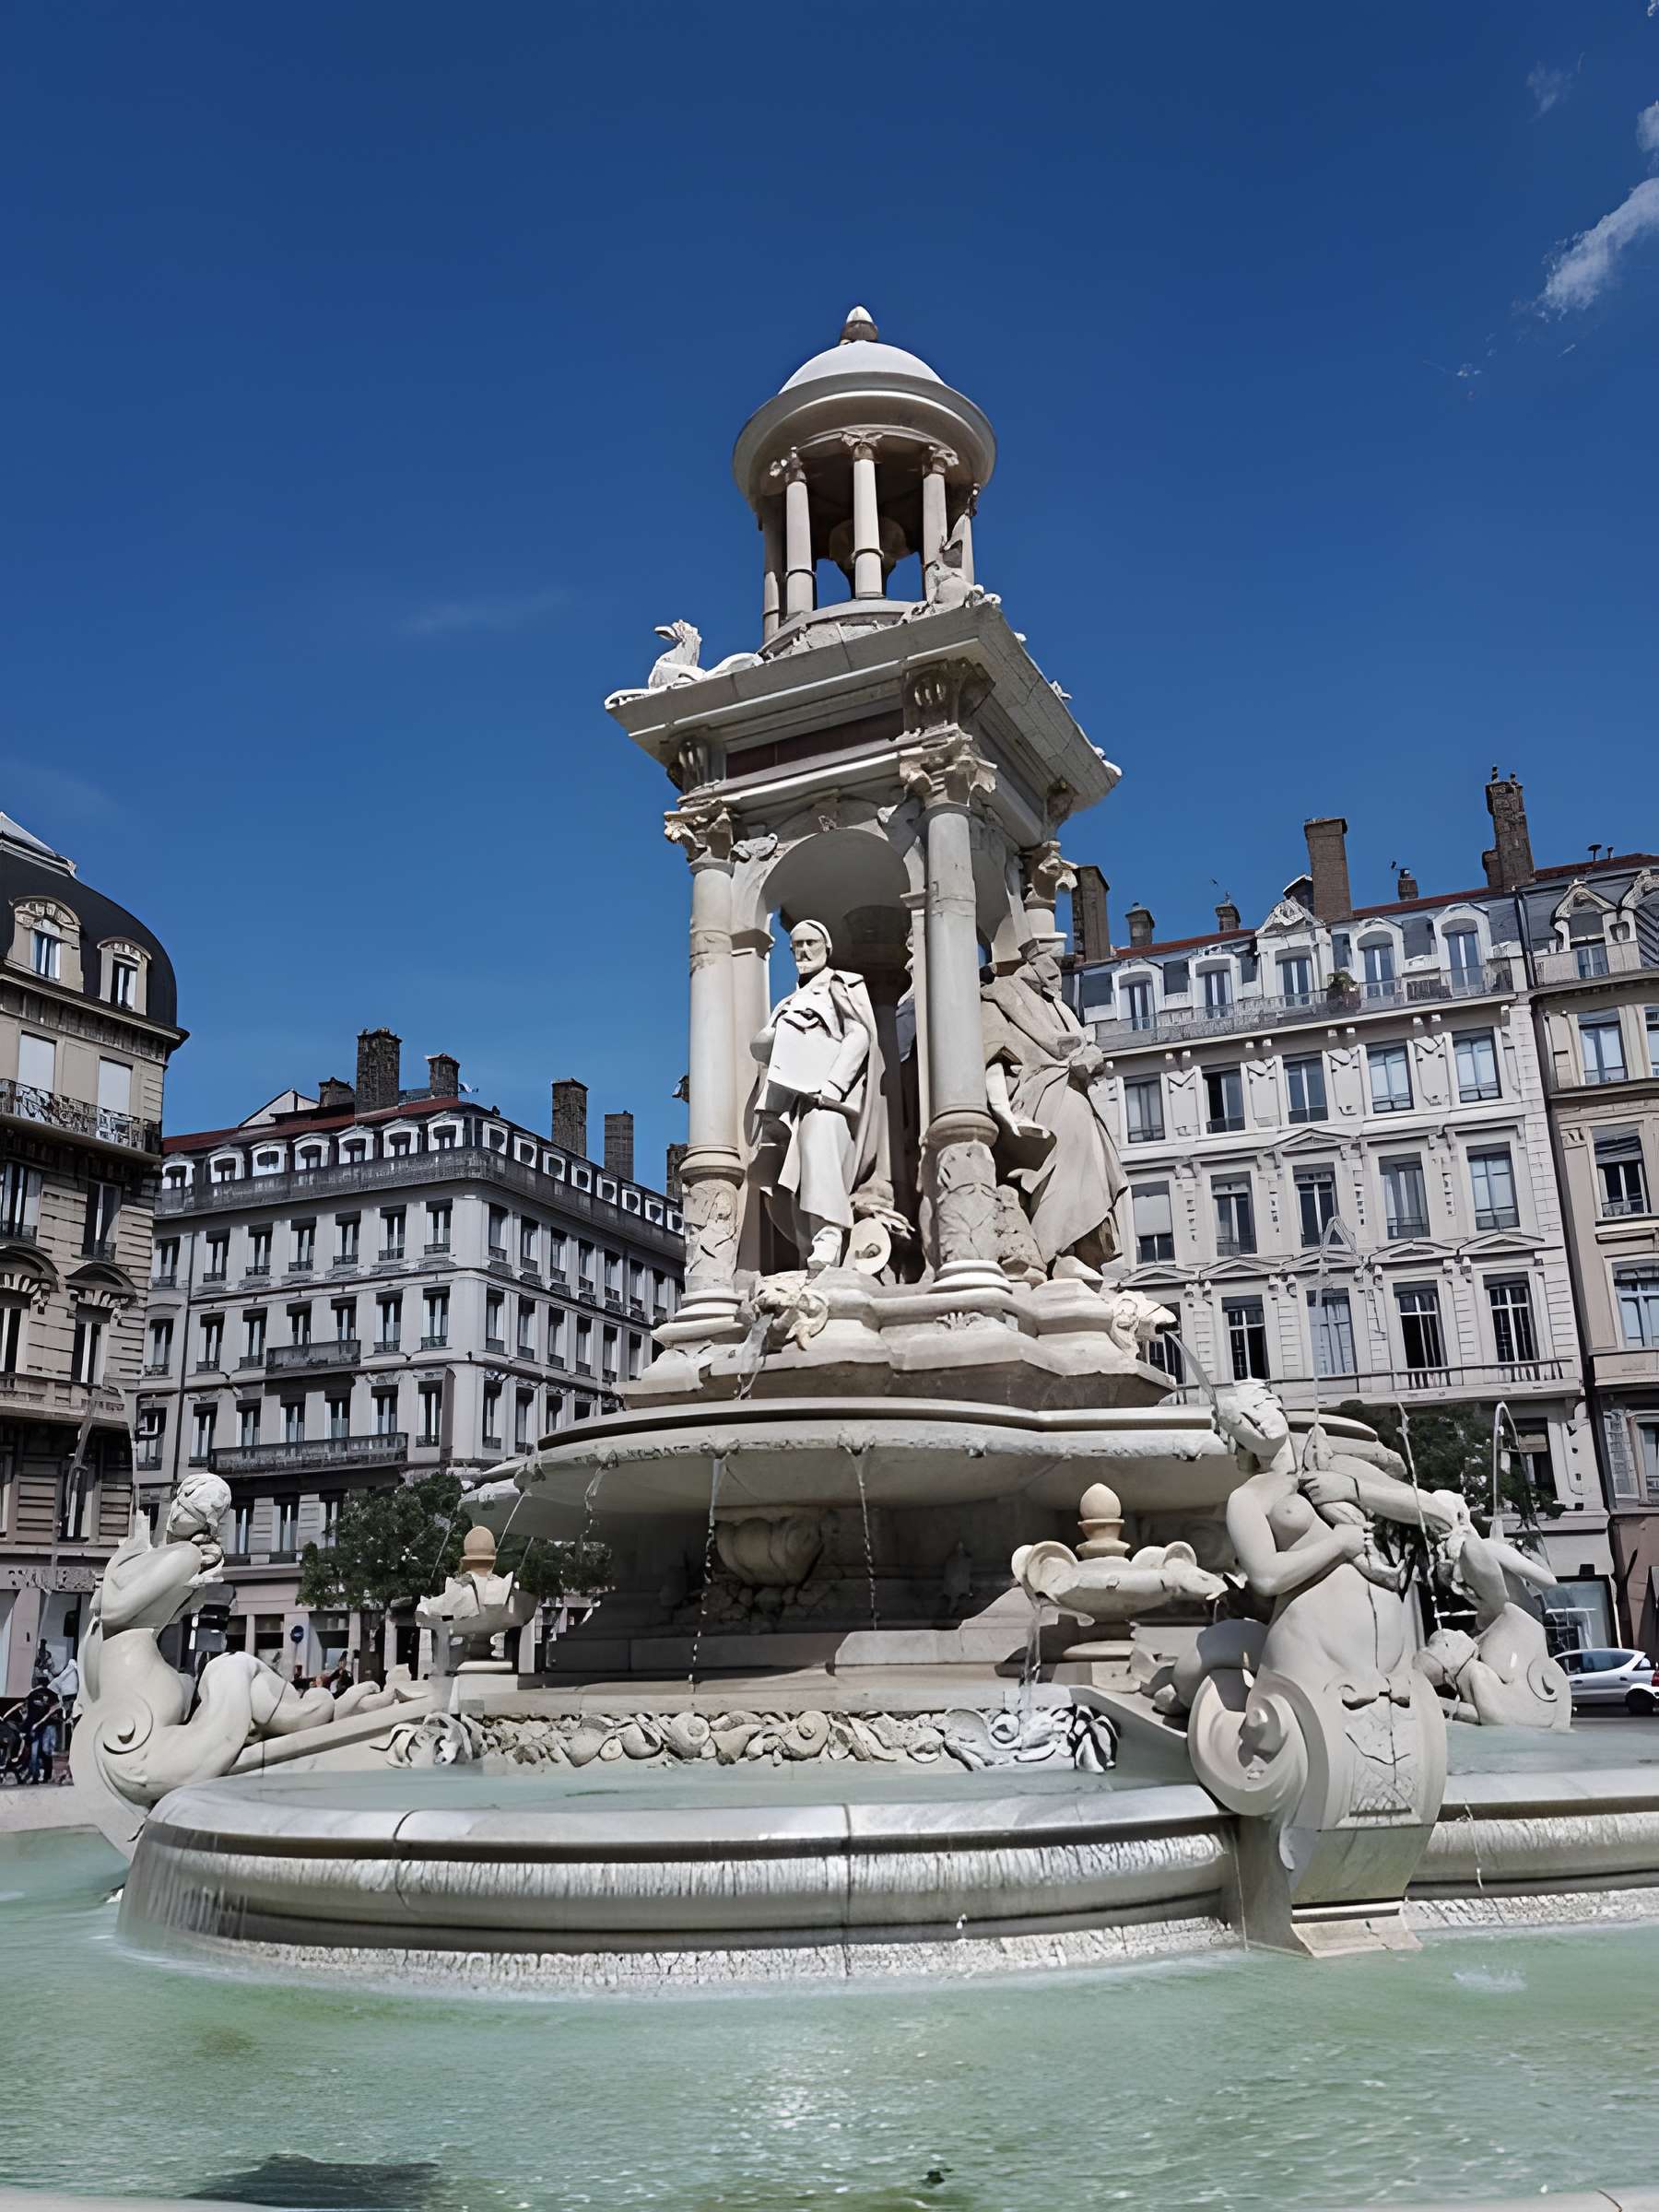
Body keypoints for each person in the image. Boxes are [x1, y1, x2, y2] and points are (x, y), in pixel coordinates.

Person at [981, 943, 1127, 1277]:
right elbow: (992, 1056)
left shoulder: (1060, 1010)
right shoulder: (996, 999)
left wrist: (1089, 1060)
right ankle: (1053, 1250)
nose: (1054, 975)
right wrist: (1005, 1112)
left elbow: (1080, 1046)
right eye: (1047, 967)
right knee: (1065, 1138)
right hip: (1031, 1097)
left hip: (1067, 1093)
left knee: (1082, 1142)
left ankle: (1072, 1247)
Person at [747, 919, 879, 1272]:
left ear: (827, 948)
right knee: (793, 1179)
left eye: (811, 944)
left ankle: (829, 1240)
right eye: (797, 946)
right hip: (795, 1104)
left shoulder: (840, 984)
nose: (804, 952)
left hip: (829, 1102)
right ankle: (811, 1250)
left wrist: (832, 1087)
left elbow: (859, 1035)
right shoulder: (789, 1001)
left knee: (820, 1158)